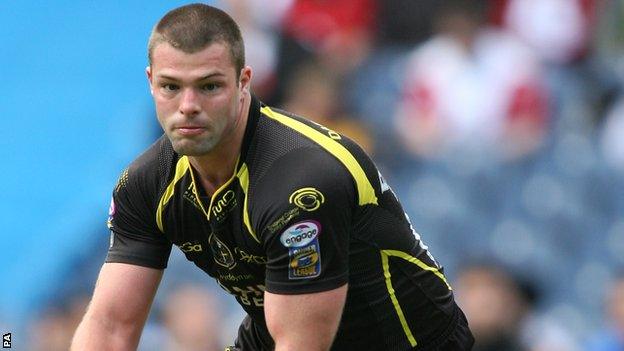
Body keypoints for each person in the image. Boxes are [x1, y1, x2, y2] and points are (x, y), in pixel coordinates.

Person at [71, 4, 473, 350]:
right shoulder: (145, 183)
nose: (188, 106)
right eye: (171, 87)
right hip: (278, 328)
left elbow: (303, 344)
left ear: (244, 82)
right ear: (150, 83)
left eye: (209, 86)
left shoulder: (302, 182)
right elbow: (110, 327)